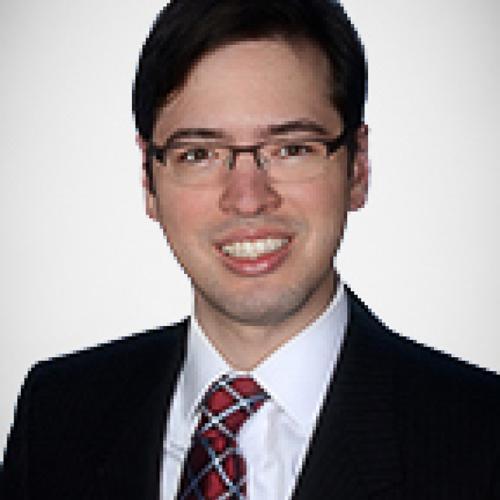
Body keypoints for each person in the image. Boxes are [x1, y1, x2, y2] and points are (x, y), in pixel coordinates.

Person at [2, 0, 500, 498]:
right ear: (149, 181)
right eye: (199, 154)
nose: (247, 198)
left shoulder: (482, 436)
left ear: (358, 167)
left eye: (292, 149)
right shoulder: (56, 415)